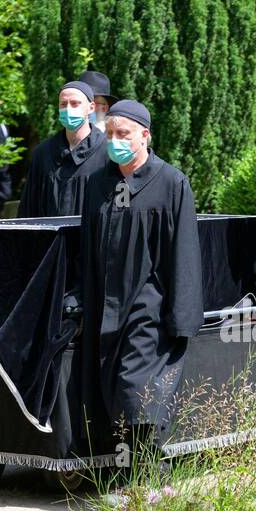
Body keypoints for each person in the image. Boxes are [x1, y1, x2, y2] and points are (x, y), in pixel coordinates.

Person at [79, 99, 202, 452]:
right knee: (110, 388)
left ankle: (147, 477)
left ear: (144, 135)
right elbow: (87, 247)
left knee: (138, 388)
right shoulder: (97, 183)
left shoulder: (171, 183)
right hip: (104, 302)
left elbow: (184, 252)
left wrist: (181, 315)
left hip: (149, 303)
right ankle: (127, 475)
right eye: (110, 133)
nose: (115, 139)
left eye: (124, 133)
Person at [18, 80, 107, 220]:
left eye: (75, 103)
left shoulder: (107, 151)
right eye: (63, 104)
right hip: (51, 239)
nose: (68, 109)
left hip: (91, 239)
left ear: (91, 108)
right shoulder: (43, 153)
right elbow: (30, 207)